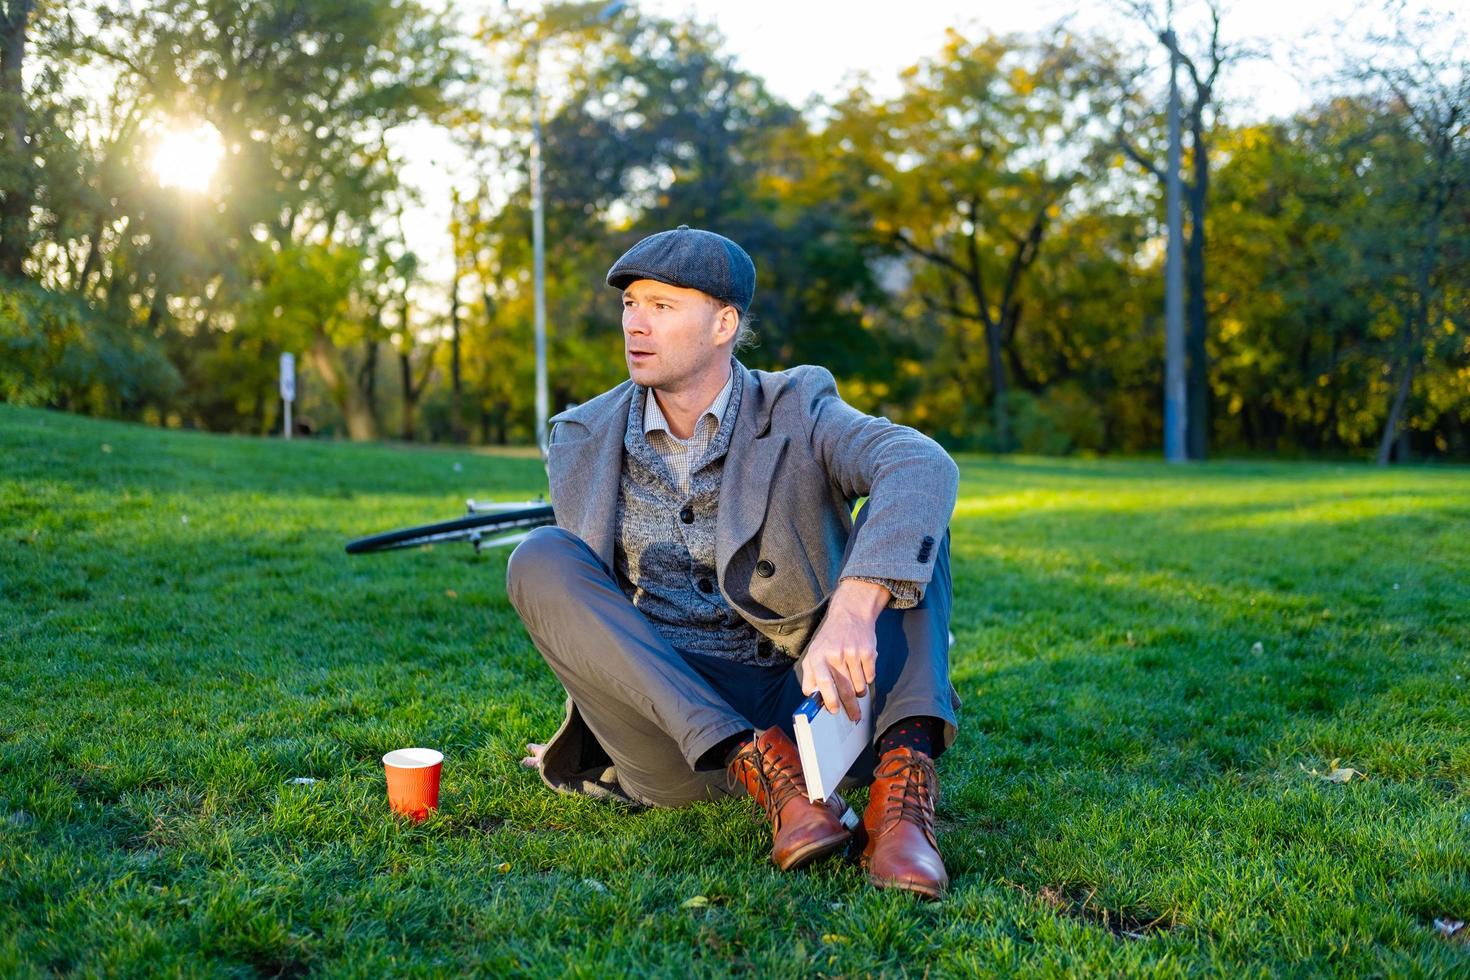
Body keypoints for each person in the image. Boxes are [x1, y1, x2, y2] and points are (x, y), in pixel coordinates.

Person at [506, 225, 960, 899]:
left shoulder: (799, 405)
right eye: (630, 303)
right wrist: (590, 731)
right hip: (680, 741)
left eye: (662, 306)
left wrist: (854, 609)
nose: (636, 323)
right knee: (539, 556)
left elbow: (923, 462)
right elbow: (593, 618)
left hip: (811, 700)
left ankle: (902, 794)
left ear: (723, 324)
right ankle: (760, 773)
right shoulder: (581, 436)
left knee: (913, 519)